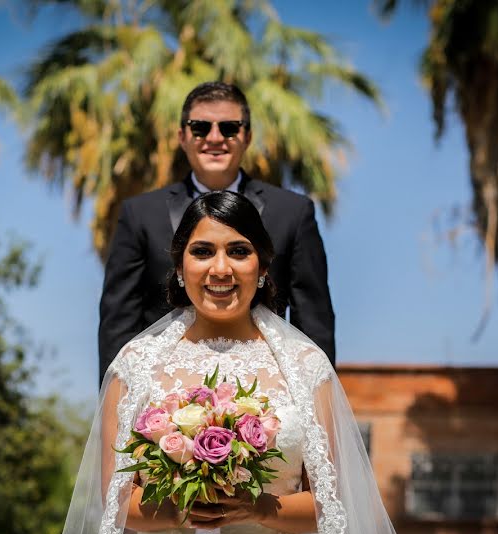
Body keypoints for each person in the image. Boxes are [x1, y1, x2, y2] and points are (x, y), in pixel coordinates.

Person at [48, 191, 422, 534]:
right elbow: (117, 503)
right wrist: (182, 508)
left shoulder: (306, 367)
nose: (220, 269)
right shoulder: (135, 365)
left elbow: (329, 506)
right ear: (179, 266)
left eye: (239, 251)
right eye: (203, 251)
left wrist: (258, 507)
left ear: (262, 266)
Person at [98, 81, 335, 381]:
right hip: (165, 388)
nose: (214, 138)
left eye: (229, 128)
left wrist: (315, 397)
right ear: (182, 136)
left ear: (247, 136)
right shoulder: (140, 213)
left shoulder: (293, 211)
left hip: (268, 385)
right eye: (200, 127)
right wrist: (118, 405)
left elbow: (314, 319)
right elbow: (118, 321)